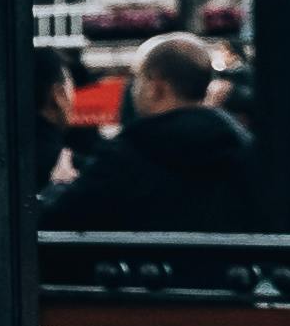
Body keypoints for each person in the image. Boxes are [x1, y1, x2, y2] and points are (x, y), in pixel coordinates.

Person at [43, 31, 252, 237]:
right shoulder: (239, 146)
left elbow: (58, 218)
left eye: (137, 78)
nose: (133, 89)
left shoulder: (128, 153)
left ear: (155, 86)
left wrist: (59, 185)